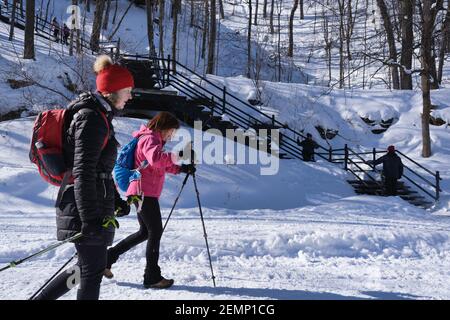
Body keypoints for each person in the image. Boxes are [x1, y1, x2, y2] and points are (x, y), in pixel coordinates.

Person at [33, 55, 134, 300]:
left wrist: (115, 199)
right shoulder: (91, 118)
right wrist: (89, 219)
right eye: (128, 90)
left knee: (86, 268)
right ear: (113, 90)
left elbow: (99, 168)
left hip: (92, 203)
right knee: (91, 272)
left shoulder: (99, 117)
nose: (131, 96)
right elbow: (83, 171)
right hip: (85, 208)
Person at [104, 112, 195, 289]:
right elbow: (156, 160)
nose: (172, 135)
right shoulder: (149, 139)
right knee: (155, 231)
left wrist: (181, 169)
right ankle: (152, 276)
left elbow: (157, 166)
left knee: (145, 232)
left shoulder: (153, 140)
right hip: (142, 192)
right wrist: (178, 156)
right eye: (171, 131)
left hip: (144, 192)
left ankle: (109, 257)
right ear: (163, 127)